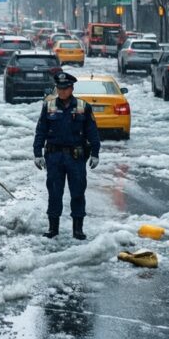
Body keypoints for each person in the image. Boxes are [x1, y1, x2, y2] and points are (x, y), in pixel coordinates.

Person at [33, 72, 101, 240]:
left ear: (71, 88)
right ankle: (53, 228)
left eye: (65, 88)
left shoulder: (83, 107)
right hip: (54, 156)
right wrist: (37, 153)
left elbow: (92, 132)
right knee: (54, 192)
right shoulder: (48, 106)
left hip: (76, 157)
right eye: (59, 88)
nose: (62, 91)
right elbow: (40, 131)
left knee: (78, 192)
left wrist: (95, 153)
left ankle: (78, 229)